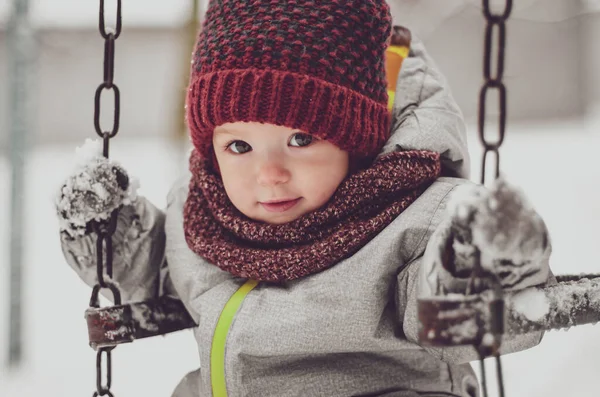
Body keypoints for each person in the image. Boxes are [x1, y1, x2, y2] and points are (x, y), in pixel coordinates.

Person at [55, 1, 554, 396]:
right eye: (239, 146)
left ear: (354, 140)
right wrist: (113, 236)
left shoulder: (413, 216)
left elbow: (454, 313)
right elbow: (160, 276)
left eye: (300, 140)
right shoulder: (205, 218)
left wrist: (480, 261)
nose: (268, 175)